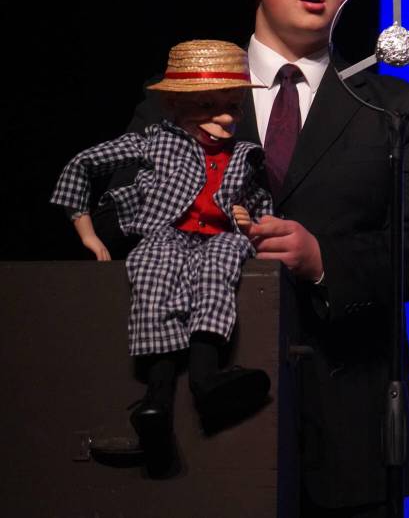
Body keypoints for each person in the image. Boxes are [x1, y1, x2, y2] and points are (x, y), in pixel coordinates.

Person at [93, 0, 409, 515]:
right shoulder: (176, 100)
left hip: (352, 428)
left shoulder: (396, 106)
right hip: (207, 418)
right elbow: (113, 217)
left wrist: (325, 259)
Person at [51, 39, 274, 464]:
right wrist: (87, 231)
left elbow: (263, 211)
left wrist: (252, 225)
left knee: (219, 272)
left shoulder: (245, 156)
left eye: (233, 106)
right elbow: (82, 164)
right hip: (164, 235)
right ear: (175, 107)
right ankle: (156, 402)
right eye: (209, 106)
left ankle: (207, 381)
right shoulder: (155, 141)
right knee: (154, 281)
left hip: (219, 239)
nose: (226, 118)